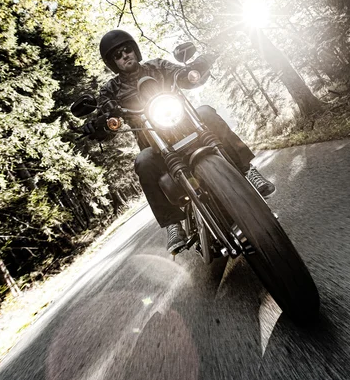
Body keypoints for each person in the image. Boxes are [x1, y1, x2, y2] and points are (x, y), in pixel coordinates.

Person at [83, 29, 275, 254]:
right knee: (142, 160)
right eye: (117, 55)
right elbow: (107, 116)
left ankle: (247, 170)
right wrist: (101, 124)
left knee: (206, 112)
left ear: (134, 49)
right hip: (154, 144)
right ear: (113, 63)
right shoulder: (111, 89)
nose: (124, 55)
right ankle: (172, 224)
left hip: (188, 124)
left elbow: (182, 75)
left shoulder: (157, 66)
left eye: (127, 49)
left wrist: (193, 70)